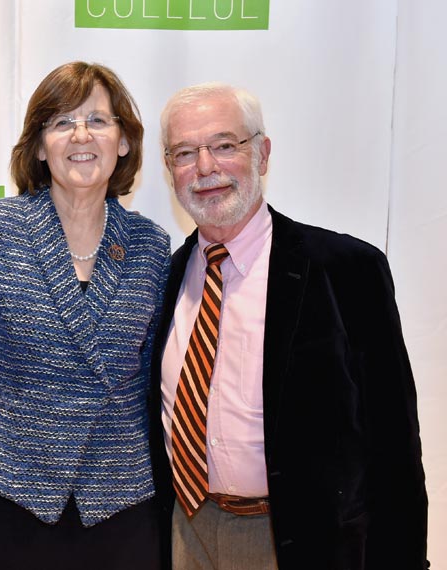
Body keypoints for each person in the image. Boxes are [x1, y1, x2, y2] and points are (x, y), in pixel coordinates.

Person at [149, 82, 429, 570]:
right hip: (185, 531)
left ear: (262, 153)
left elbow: (395, 441)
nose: (206, 168)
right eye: (185, 153)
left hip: (298, 539)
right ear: (169, 168)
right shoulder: (166, 278)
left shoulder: (345, 269)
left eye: (224, 145)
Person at [0, 61, 170, 569]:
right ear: (40, 146)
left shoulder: (152, 246)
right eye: (62, 122)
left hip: (119, 502)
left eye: (98, 121)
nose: (80, 135)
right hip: (9, 497)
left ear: (124, 142)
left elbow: (152, 387)